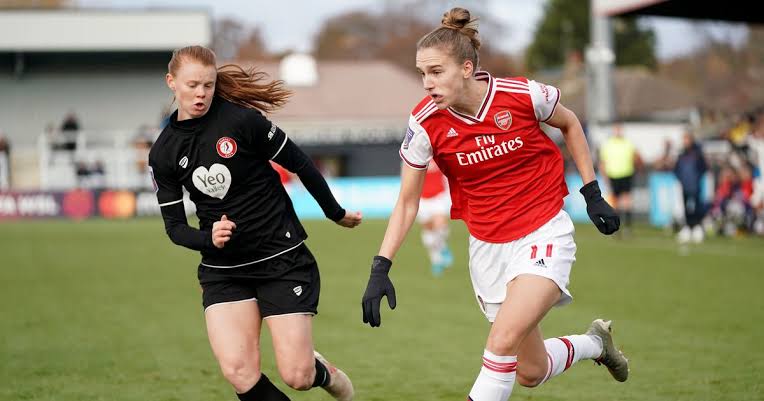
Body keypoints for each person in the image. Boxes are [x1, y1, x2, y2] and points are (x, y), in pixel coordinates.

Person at [359, 8, 629, 401]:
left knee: (500, 342)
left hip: (544, 230)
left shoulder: (522, 95)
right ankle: (595, 344)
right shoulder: (424, 124)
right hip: (487, 247)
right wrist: (380, 267)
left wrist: (592, 192)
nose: (426, 83)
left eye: (436, 72)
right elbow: (406, 203)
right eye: (422, 73)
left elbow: (570, 123)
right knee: (530, 371)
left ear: (466, 68)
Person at [148, 45, 361, 401]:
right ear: (171, 82)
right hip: (224, 270)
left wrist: (334, 212)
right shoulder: (163, 153)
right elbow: (174, 227)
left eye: (208, 85)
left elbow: (300, 162)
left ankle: (319, 370)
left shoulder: (241, 121)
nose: (201, 93)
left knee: (297, 375)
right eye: (192, 85)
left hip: (281, 258)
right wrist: (207, 238)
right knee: (239, 372)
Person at [599, 123, 642, 234]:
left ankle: (627, 226)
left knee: (627, 201)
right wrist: (604, 176)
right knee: (615, 202)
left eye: (619, 129)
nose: (618, 131)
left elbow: (636, 157)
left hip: (626, 174)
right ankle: (615, 226)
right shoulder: (608, 144)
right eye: (616, 129)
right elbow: (603, 162)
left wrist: (637, 167)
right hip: (613, 175)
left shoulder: (628, 143)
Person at [417, 162, 453, 276]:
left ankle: (441, 249)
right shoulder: (412, 156)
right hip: (422, 198)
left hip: (439, 196)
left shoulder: (439, 155)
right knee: (429, 231)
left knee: (440, 226)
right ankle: (437, 259)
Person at [674, 131, 708, 243]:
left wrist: (697, 178)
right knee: (686, 208)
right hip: (685, 185)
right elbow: (677, 169)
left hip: (695, 185)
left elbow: (703, 168)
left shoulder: (697, 154)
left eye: (686, 139)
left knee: (696, 207)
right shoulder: (682, 154)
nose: (685, 142)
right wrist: (681, 179)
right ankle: (687, 228)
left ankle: (697, 228)